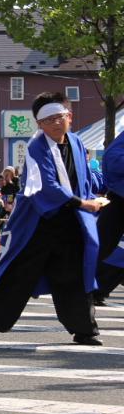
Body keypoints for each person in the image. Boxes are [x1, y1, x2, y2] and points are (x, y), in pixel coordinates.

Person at [0, 92, 103, 346]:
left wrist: (101, 193)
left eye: (59, 117)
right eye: (48, 120)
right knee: (18, 274)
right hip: (38, 222)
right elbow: (47, 186)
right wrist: (83, 203)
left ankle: (84, 330)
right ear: (39, 124)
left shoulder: (77, 143)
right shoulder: (36, 147)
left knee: (74, 275)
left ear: (69, 117)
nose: (55, 123)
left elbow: (87, 180)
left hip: (70, 222)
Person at [93, 130, 124, 304]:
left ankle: (96, 289)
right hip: (120, 199)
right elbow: (113, 158)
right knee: (105, 246)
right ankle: (92, 289)